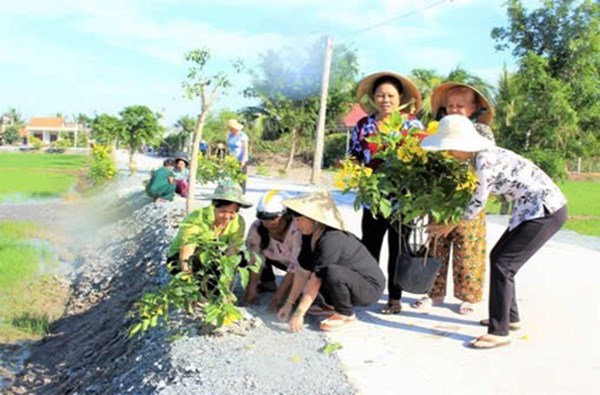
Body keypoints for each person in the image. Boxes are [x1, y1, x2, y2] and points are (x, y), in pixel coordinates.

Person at [421, 115, 567, 349]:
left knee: (503, 263)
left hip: (545, 211)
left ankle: (499, 331)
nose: (447, 153)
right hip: (531, 211)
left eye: (449, 148)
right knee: (500, 260)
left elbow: (479, 201)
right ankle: (510, 317)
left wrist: (449, 225)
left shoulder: (483, 160)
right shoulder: (480, 156)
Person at [411, 82, 495, 315]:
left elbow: (484, 175)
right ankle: (432, 293)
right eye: (451, 106)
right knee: (436, 245)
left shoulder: (482, 133)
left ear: (473, 108)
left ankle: (468, 298)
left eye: (461, 106)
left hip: (470, 199)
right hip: (441, 197)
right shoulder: (441, 130)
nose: (455, 110)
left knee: (469, 249)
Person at [348, 71, 424, 315]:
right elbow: (354, 156)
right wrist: (359, 177)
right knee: (369, 249)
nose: (385, 99)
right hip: (373, 200)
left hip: (403, 201)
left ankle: (394, 298)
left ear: (400, 97)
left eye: (390, 95)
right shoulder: (363, 125)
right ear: (373, 98)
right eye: (380, 95)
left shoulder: (412, 125)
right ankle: (366, 291)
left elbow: (422, 160)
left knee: (398, 251)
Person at [277, 191, 386, 332]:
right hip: (347, 279)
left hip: (369, 288)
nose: (296, 225)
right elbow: (303, 271)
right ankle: (330, 305)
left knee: (329, 271)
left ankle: (346, 314)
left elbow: (316, 279)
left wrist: (299, 314)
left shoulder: (331, 238)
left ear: (314, 219)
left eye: (299, 220)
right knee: (319, 270)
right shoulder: (308, 236)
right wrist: (289, 304)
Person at [167, 179, 252, 294]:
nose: (227, 216)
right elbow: (186, 253)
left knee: (241, 259)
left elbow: (232, 253)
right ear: (214, 206)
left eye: (232, 212)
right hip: (185, 258)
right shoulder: (197, 218)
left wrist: (226, 288)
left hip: (210, 255)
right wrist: (190, 287)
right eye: (223, 211)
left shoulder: (238, 222)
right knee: (196, 288)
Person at [244, 190, 303, 310]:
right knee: (252, 255)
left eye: (272, 218)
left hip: (298, 265)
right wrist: (251, 290)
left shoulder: (297, 230)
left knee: (295, 296)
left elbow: (294, 266)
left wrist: (277, 300)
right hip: (276, 258)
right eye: (263, 218)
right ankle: (268, 284)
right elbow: (255, 259)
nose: (267, 223)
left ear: (286, 215)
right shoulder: (257, 227)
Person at [226, 119, 249, 192]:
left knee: (241, 177)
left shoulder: (243, 136)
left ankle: (242, 192)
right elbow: (229, 147)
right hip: (232, 159)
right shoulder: (230, 135)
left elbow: (245, 149)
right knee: (232, 176)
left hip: (241, 159)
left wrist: (243, 160)